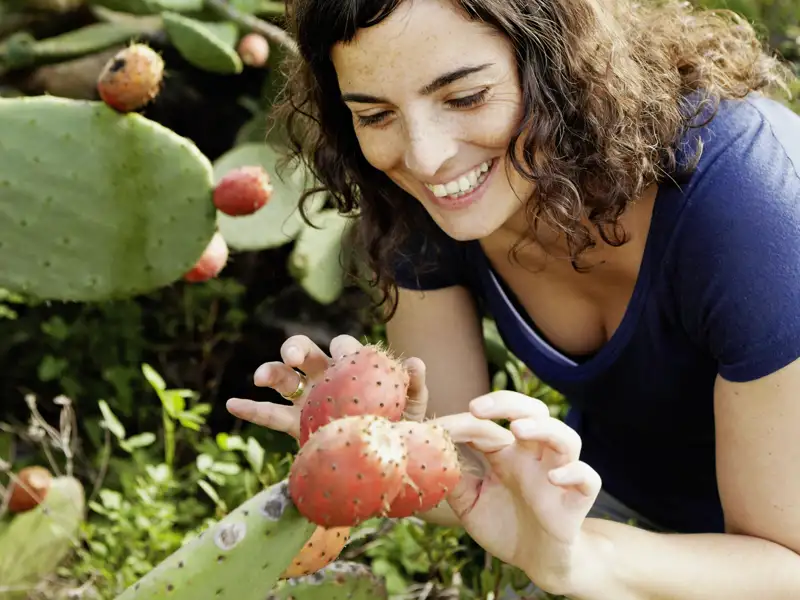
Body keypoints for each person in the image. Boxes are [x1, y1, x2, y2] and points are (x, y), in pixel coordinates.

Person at [226, 0, 800, 597]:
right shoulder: (422, 201)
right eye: (374, 114)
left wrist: (581, 558)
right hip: (614, 519)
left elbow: (787, 568)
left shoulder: (751, 205)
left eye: (466, 97)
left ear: (565, 62)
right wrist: (387, 448)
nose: (424, 156)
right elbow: (467, 486)